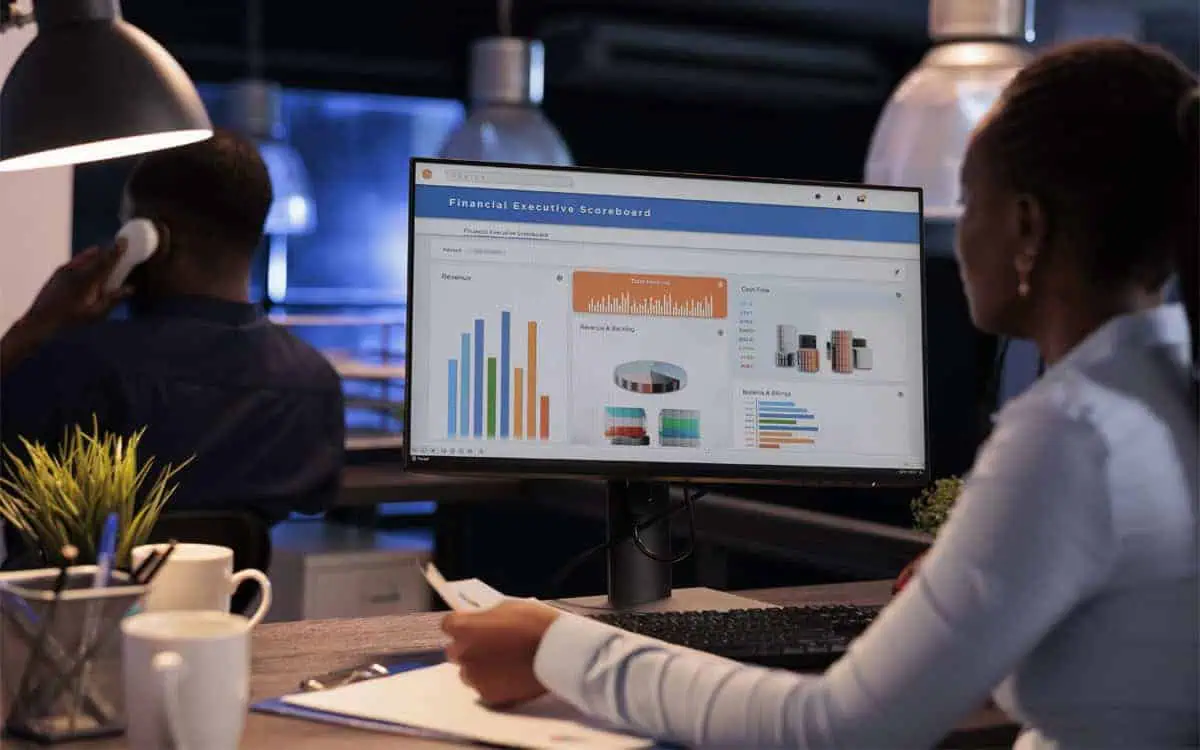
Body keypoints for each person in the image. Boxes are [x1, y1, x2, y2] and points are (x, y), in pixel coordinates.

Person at [440, 40, 1200, 749]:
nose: (959, 238)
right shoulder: (1163, 386)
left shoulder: (1073, 430)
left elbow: (835, 729)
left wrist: (558, 649)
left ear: (1026, 226)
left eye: (968, 203)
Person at [0, 129, 345, 527]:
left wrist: (34, 328)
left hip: (86, 591)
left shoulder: (74, 369)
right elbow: (313, 499)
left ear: (147, 240)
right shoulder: (313, 386)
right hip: (234, 591)